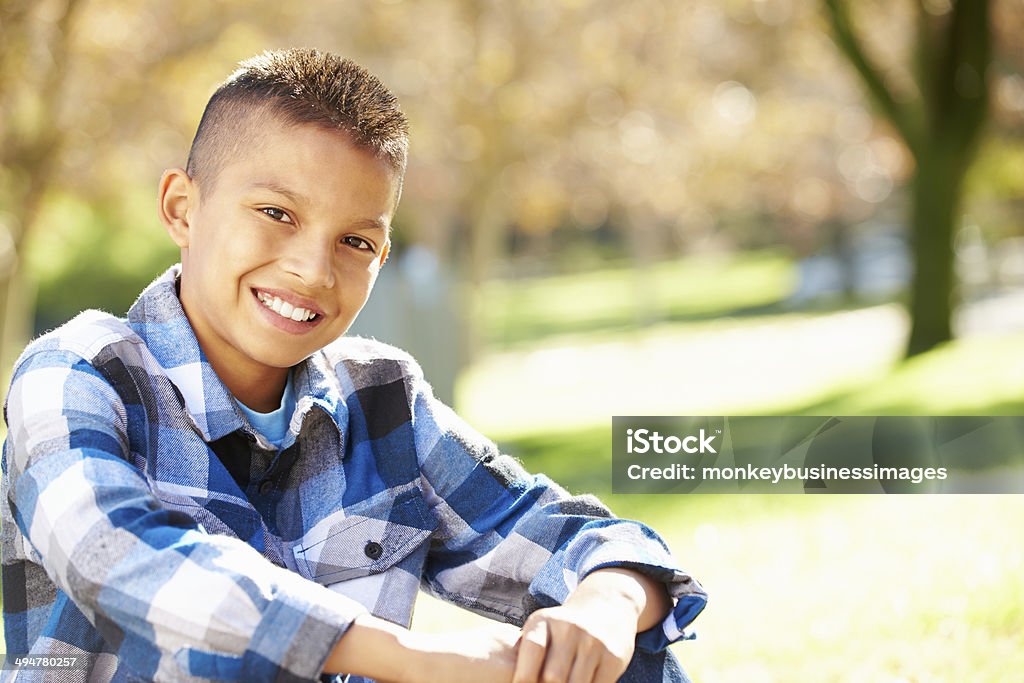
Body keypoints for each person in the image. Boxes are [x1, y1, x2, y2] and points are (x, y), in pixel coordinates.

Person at [1, 48, 706, 683]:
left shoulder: (381, 395)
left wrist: (608, 600)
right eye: (276, 212)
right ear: (182, 208)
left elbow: (561, 534)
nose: (313, 269)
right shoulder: (76, 371)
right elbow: (106, 548)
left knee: (613, 652)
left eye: (355, 242)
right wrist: (403, 656)